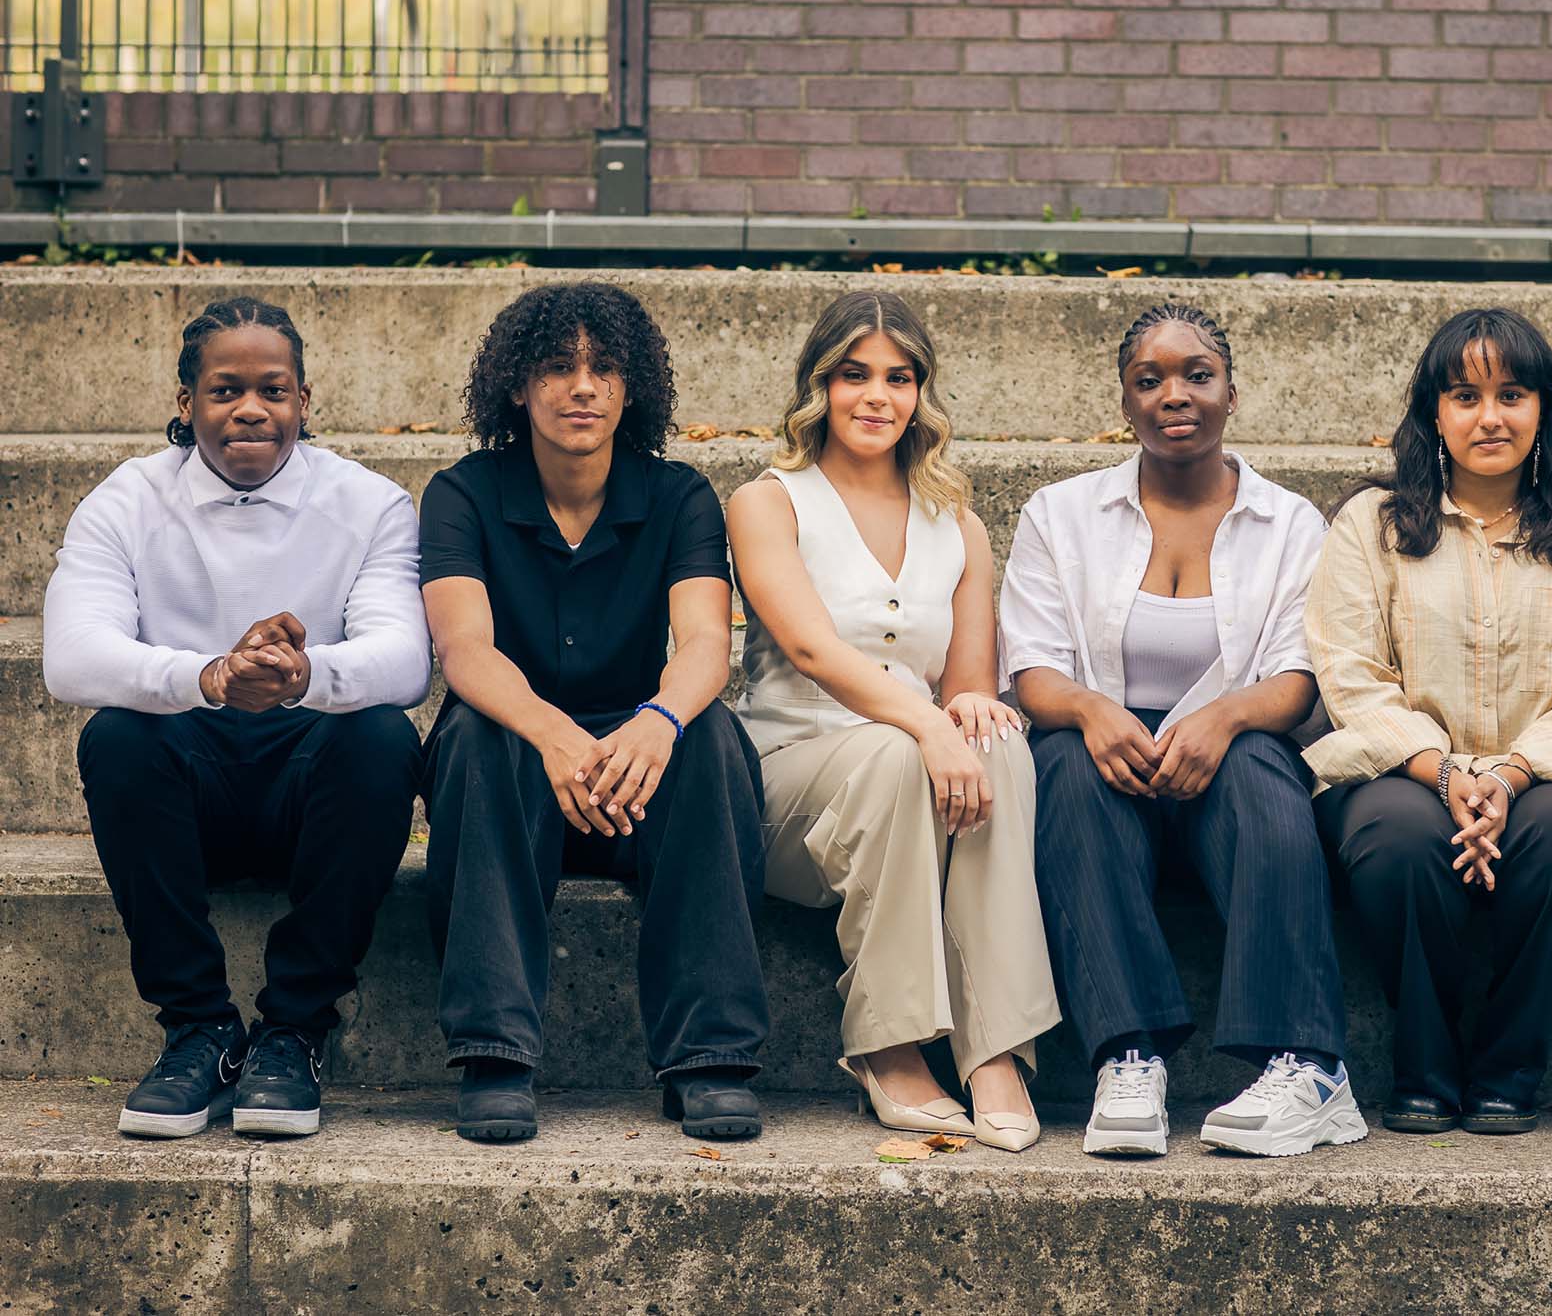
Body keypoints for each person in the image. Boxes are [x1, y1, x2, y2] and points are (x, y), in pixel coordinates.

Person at [44, 296, 429, 1139]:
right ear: (186, 404)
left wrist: (301, 674)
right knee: (117, 735)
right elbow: (71, 656)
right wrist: (210, 676)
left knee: (380, 738)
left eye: (274, 389)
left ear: (303, 400)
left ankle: (295, 1028)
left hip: (311, 801)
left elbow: (405, 663)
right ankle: (201, 1030)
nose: (251, 407)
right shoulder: (127, 500)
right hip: (188, 793)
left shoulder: (370, 504)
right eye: (224, 390)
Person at [1002, 302, 1365, 1159]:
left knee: (1264, 768)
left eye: (1197, 374)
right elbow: (1033, 668)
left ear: (1232, 393)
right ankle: (1129, 1057)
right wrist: (1093, 711)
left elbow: (1299, 677)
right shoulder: (1060, 514)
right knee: (1058, 759)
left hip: (1229, 770)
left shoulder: (1291, 524)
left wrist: (1227, 714)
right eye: (1149, 379)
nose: (1176, 393)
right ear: (1124, 403)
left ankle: (1308, 1065)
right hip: (1107, 772)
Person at [420, 282, 769, 1143]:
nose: (582, 386)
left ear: (632, 386)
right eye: (556, 367)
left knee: (710, 733)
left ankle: (711, 1054)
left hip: (637, 783)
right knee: (474, 731)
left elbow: (702, 644)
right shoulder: (462, 494)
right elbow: (464, 648)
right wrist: (553, 733)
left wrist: (656, 721)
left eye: (604, 368)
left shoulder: (680, 495)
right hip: (516, 769)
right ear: (515, 385)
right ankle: (496, 1052)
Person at [729, 291, 1058, 1153]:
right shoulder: (769, 502)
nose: (877, 396)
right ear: (819, 386)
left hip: (920, 777)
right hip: (791, 785)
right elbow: (808, 648)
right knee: (896, 746)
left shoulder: (959, 525)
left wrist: (963, 716)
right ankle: (889, 1038)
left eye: (899, 377)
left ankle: (993, 1045)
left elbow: (969, 687)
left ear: (922, 394)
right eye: (854, 375)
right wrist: (928, 724)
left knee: (1001, 740)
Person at [1308, 308, 1552, 1136]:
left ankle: (1508, 1066)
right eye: (1465, 394)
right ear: (1435, 413)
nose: (1489, 416)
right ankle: (1424, 1067)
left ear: (1544, 411)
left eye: (1512, 394)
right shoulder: (1372, 526)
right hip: (1396, 772)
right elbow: (1351, 676)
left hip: (1541, 773)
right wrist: (1448, 772)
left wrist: (1507, 775)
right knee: (1396, 838)